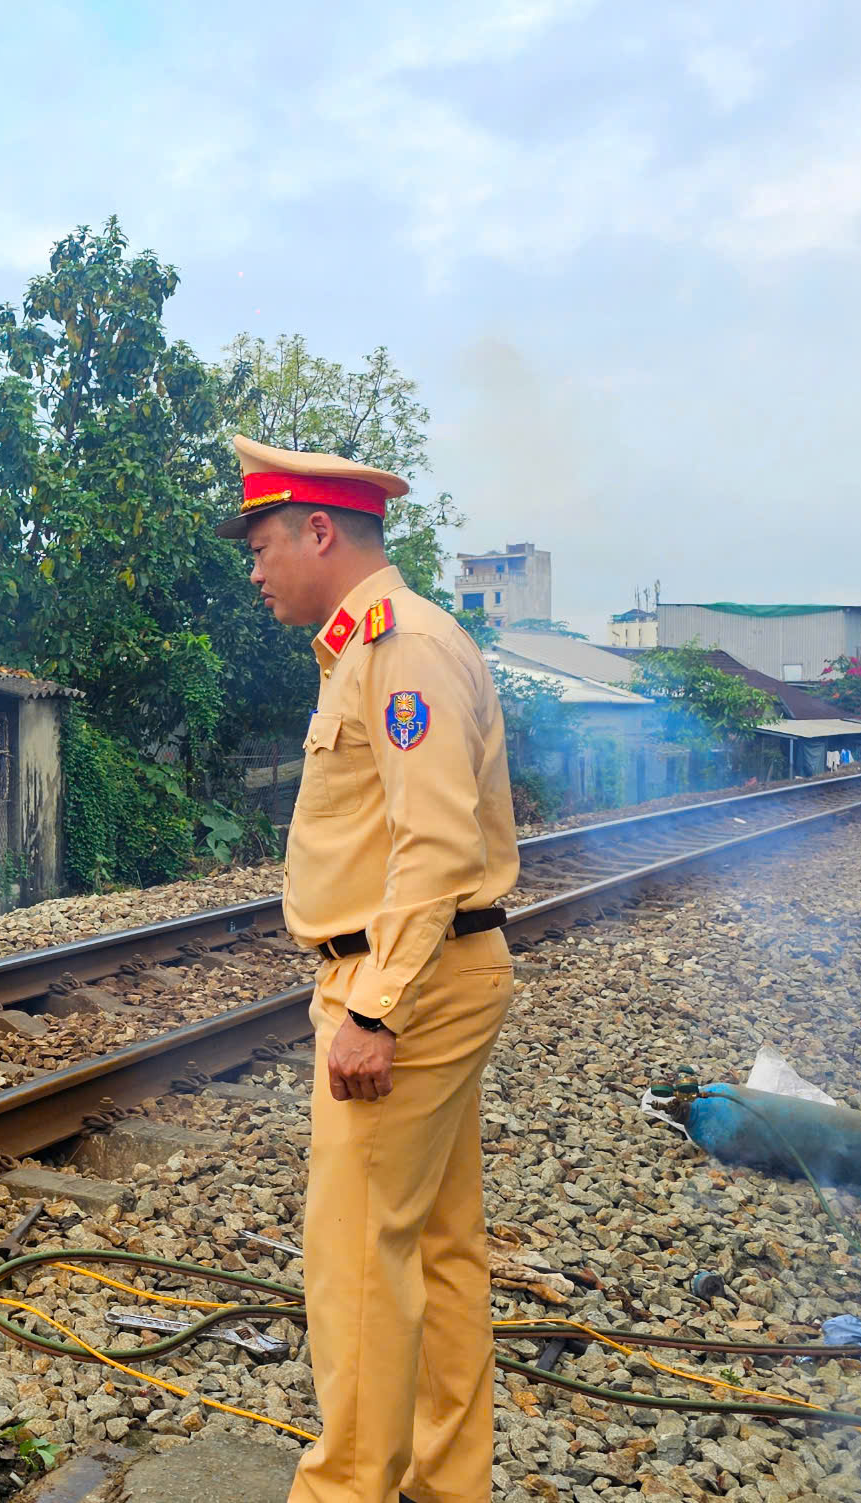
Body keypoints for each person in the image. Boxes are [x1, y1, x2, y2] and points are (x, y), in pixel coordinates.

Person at [220, 435, 518, 1503]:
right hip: (429, 971)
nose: (252, 570)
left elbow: (432, 844)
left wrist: (376, 1008)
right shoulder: (367, 649)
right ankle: (447, 1484)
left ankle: (342, 1491)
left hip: (406, 986)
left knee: (353, 1264)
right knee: (436, 1256)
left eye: (260, 544)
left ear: (317, 530)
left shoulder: (401, 649)